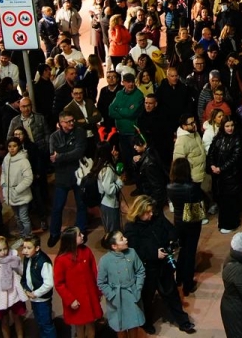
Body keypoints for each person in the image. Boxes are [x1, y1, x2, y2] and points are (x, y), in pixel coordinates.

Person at [123, 194, 197, 333]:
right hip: (146, 269)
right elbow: (134, 250)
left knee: (172, 294)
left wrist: (171, 241)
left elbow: (171, 230)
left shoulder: (157, 218)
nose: (151, 214)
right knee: (147, 298)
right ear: (139, 211)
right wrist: (153, 253)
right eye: (148, 212)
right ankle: (146, 323)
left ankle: (183, 322)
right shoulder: (131, 228)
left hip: (163, 266)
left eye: (151, 211)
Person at [48, 110, 89, 246]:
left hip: (79, 175)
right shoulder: (54, 137)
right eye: (68, 121)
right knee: (57, 207)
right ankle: (54, 233)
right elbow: (52, 158)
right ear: (61, 123)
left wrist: (61, 156)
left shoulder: (80, 132)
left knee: (81, 204)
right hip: (62, 176)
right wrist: (66, 154)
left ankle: (81, 231)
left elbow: (79, 152)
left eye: (72, 120)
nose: (72, 123)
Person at [55, 227, 104, 338]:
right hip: (76, 300)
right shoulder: (61, 260)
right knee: (79, 327)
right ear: (71, 240)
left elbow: (94, 273)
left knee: (91, 324)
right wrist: (70, 300)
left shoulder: (86, 251)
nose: (82, 235)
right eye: (79, 235)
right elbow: (59, 284)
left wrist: (98, 291)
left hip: (90, 296)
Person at [97, 230, 147, 338]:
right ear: (114, 246)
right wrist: (112, 296)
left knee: (134, 325)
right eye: (121, 239)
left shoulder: (132, 252)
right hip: (117, 298)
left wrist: (138, 288)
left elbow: (140, 271)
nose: (125, 239)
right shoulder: (105, 260)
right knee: (120, 327)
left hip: (132, 294)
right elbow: (101, 282)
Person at [167, 156, 206, 295]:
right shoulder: (192, 187)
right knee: (190, 252)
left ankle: (179, 278)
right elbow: (201, 199)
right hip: (191, 221)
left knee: (182, 249)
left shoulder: (169, 187)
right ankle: (188, 285)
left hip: (178, 222)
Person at [208, 116, 242, 233]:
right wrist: (212, 165)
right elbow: (211, 152)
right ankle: (223, 222)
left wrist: (221, 168)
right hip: (219, 176)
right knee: (222, 201)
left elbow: (235, 158)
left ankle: (231, 224)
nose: (230, 128)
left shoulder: (238, 139)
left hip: (232, 176)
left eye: (232, 125)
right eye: (227, 126)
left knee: (231, 202)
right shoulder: (218, 137)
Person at [0, 236, 27, 338]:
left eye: (5, 249)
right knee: (4, 320)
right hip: (1, 295)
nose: (3, 252)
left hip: (14, 291)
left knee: (17, 317)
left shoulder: (13, 256)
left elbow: (21, 271)